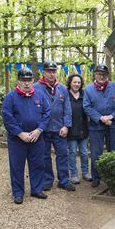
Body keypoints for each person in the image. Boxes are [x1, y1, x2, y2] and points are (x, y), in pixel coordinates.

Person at [2, 67, 49, 204]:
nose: (26, 83)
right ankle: (18, 193)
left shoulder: (40, 95)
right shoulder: (11, 97)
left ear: (33, 80)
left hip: (36, 138)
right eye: (23, 80)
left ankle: (36, 189)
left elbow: (47, 113)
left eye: (29, 80)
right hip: (17, 140)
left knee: (38, 164)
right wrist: (19, 133)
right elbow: (7, 117)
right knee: (17, 166)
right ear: (18, 81)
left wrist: (39, 129)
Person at [34, 61, 75, 192]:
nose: (51, 74)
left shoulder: (62, 88)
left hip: (59, 129)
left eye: (53, 71)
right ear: (43, 72)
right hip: (44, 130)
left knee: (63, 154)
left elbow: (67, 109)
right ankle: (47, 180)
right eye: (48, 71)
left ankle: (64, 180)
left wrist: (66, 126)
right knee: (44, 156)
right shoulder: (36, 87)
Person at [83, 64, 115, 187]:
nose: (101, 76)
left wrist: (111, 116)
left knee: (114, 151)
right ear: (95, 75)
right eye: (99, 74)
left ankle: (114, 178)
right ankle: (96, 177)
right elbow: (86, 107)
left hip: (112, 125)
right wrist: (101, 118)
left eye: (104, 74)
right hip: (96, 127)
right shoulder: (88, 89)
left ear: (107, 75)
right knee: (96, 153)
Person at [66, 74, 90, 184]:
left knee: (84, 152)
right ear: (70, 83)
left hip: (83, 128)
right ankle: (74, 174)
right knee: (72, 153)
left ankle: (85, 172)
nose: (77, 84)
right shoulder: (66, 95)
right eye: (74, 82)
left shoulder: (85, 94)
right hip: (71, 129)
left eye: (79, 82)